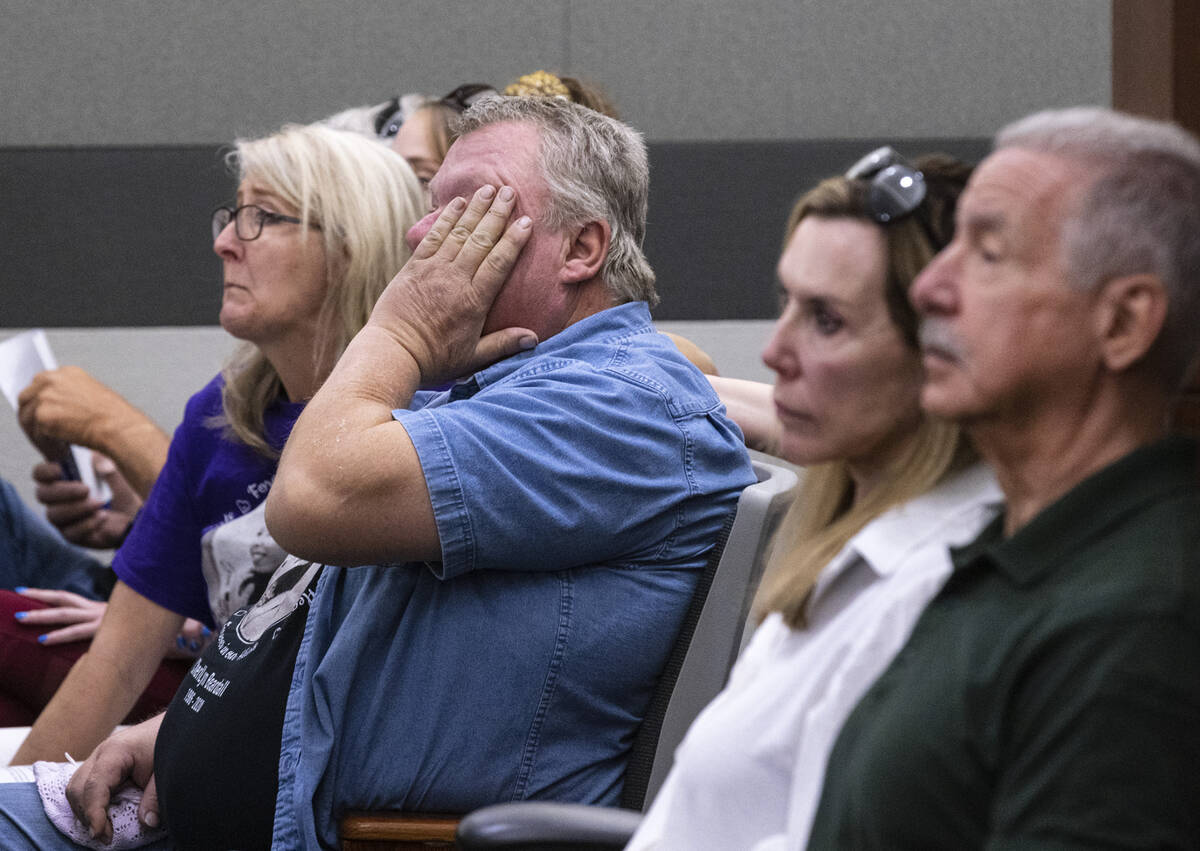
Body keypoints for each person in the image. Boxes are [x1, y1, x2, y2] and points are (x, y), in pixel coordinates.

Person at [7, 94, 754, 851]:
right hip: (198, 804)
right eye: (431, 207)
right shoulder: (514, 386)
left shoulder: (615, 403)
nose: (422, 234)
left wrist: (403, 329)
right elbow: (355, 622)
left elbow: (308, 501)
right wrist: (175, 731)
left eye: (469, 209)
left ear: (581, 248)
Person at [807, 107, 1200, 847]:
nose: (929, 288)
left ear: (1123, 323)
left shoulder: (1137, 621)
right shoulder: (1020, 547)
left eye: (988, 254)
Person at [6, 121, 424, 766]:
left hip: (314, 778)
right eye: (231, 216)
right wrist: (18, 803)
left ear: (350, 248)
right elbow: (114, 663)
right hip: (211, 754)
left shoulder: (422, 417)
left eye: (262, 217)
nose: (227, 243)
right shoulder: (220, 415)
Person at [624, 148, 1001, 850]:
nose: (776, 349)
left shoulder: (934, 592)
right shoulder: (853, 556)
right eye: (785, 303)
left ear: (940, 352)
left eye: (826, 320)